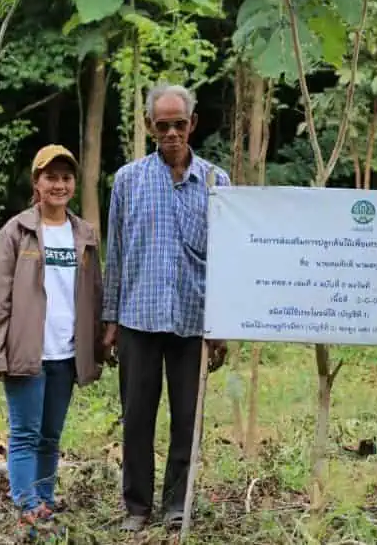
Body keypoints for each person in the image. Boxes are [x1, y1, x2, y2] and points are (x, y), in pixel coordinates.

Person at [102, 83, 230, 532]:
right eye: (163, 125)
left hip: (194, 320)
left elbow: (227, 258)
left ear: (192, 124)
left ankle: (178, 503)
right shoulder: (127, 180)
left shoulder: (218, 182)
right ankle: (136, 507)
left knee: (187, 418)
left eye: (180, 124)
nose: (172, 133)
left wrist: (223, 323)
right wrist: (110, 319)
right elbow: (115, 253)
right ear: (149, 127)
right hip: (138, 317)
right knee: (136, 416)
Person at [0, 145, 105, 537]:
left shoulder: (83, 233)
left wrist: (99, 343)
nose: (59, 184)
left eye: (66, 177)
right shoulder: (17, 232)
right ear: (37, 182)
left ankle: (44, 502)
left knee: (50, 436)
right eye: (51, 177)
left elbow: (94, 293)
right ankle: (27, 508)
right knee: (25, 434)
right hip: (27, 350)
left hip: (66, 353)